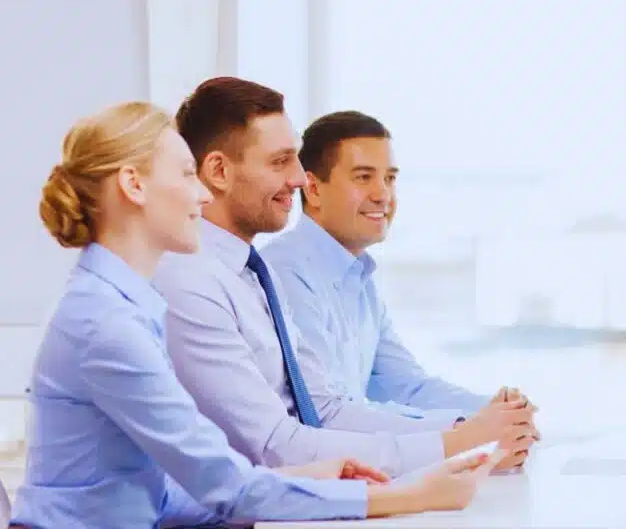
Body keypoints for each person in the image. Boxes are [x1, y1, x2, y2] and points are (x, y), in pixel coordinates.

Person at [10, 101, 504, 529]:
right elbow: (226, 488)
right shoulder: (107, 326)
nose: (203, 194)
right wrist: (410, 496)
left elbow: (161, 494)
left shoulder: (122, 305)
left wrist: (300, 479)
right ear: (134, 186)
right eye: (186, 174)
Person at [152, 77, 533, 478]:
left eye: (389, 178)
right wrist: (459, 441)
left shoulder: (254, 276)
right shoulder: (191, 280)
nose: (300, 179)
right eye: (280, 161)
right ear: (218, 171)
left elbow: (325, 409)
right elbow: (276, 447)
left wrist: (475, 429)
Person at [259, 110, 538, 468]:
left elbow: (405, 385)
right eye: (364, 177)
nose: (382, 195)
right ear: (313, 189)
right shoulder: (285, 271)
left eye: (390, 179)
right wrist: (466, 430)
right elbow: (326, 414)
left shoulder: (358, 275)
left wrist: (500, 412)